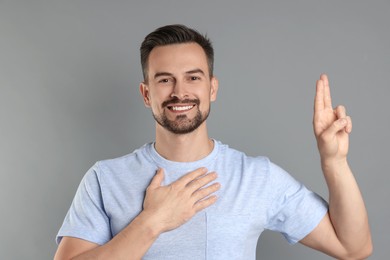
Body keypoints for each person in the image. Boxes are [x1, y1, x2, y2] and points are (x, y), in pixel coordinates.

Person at [54, 24, 372, 259]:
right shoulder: (104, 178)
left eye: (193, 77)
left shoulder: (257, 177)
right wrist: (152, 222)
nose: (180, 91)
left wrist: (335, 163)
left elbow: (354, 248)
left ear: (212, 89)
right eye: (165, 80)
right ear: (146, 93)